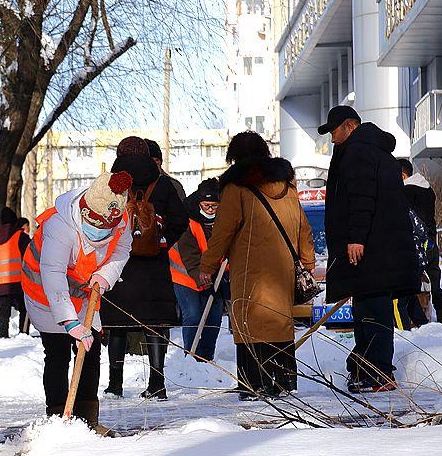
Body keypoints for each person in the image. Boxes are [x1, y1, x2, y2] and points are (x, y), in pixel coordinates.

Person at [198, 132, 315, 401]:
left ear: (235, 156)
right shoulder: (287, 185)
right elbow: (303, 227)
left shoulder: (235, 187)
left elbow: (223, 231)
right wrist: (307, 262)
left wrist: (208, 264)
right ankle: (284, 381)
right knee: (279, 322)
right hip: (283, 268)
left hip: (249, 269)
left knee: (251, 324)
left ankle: (253, 384)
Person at [22, 171, 134, 435]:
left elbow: (122, 249)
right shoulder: (60, 225)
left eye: (105, 224)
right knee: (58, 351)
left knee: (90, 348)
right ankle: (57, 418)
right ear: (84, 208)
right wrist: (68, 320)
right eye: (93, 220)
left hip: (85, 292)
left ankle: (86, 420)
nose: (99, 227)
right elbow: (52, 272)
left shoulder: (121, 221)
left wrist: (105, 276)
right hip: (45, 294)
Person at [318, 106, 419, 393]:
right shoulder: (377, 152)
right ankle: (366, 370)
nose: (333, 139)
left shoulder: (359, 152)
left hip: (372, 250)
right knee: (368, 309)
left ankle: (379, 374)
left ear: (349, 126)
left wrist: (356, 238)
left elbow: (361, 198)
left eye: (334, 131)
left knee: (373, 311)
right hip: (380, 250)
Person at [101, 136, 187, 400]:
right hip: (153, 263)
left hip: (119, 262)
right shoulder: (162, 182)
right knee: (155, 324)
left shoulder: (110, 183)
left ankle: (115, 384)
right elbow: (180, 218)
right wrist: (162, 241)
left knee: (116, 324)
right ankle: (157, 383)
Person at [171, 178, 228, 360]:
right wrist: (201, 276)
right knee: (193, 315)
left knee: (214, 318)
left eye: (214, 206)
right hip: (186, 275)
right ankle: (191, 356)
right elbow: (189, 254)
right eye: (206, 205)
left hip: (213, 275)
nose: (210, 210)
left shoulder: (226, 218)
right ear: (199, 203)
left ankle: (206, 357)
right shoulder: (188, 218)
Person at [398, 158, 442, 325]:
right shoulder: (428, 190)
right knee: (435, 286)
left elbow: (409, 220)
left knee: (407, 289)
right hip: (431, 243)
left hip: (416, 246)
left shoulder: (406, 192)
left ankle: (410, 326)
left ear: (403, 175)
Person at [0, 206, 31, 338]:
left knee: (3, 314)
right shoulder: (20, 236)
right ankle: (23, 334)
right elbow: (31, 256)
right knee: (25, 309)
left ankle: (2, 337)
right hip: (18, 283)